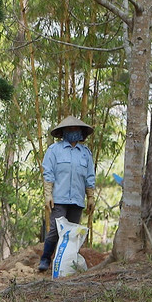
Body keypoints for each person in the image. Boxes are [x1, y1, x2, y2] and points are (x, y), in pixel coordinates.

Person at [39, 115, 97, 272]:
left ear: (81, 132)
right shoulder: (54, 150)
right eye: (69, 129)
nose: (73, 131)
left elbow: (90, 176)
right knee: (55, 230)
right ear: (63, 132)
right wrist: (48, 194)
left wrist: (90, 197)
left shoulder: (85, 153)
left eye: (75, 129)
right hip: (59, 198)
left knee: (72, 233)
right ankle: (45, 259)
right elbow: (48, 173)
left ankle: (66, 265)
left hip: (77, 199)